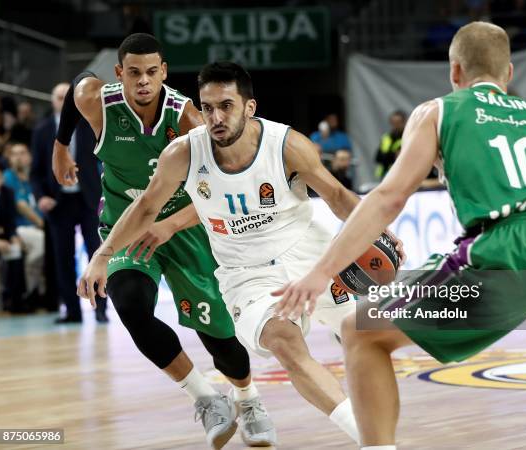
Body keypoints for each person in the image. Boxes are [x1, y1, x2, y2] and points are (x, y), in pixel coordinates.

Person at [274, 21, 526, 450]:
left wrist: (322, 271)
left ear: (454, 72)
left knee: (361, 331)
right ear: (509, 75)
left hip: (505, 252)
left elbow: (389, 197)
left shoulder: (440, 110)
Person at [77, 61, 403, 446]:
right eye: (208, 107)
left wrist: (376, 227)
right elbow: (146, 207)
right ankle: (370, 440)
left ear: (249, 108)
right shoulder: (183, 153)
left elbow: (335, 195)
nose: (215, 117)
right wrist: (103, 254)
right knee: (286, 344)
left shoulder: (288, 144)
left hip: (310, 252)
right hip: (246, 273)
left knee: (362, 335)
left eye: (226, 106)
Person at [54, 34, 274, 449]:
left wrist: (171, 225)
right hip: (126, 228)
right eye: (133, 72)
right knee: (132, 306)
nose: (143, 81)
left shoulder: (188, 120)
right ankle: (207, 398)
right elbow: (78, 85)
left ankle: (248, 399)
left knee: (219, 337)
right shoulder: (97, 102)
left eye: (152, 72)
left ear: (164, 73)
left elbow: (223, 192)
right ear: (119, 74)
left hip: (185, 227)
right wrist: (61, 146)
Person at [31, 83, 107, 324]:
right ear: (52, 101)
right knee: (63, 258)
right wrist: (41, 196)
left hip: (88, 200)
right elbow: (36, 172)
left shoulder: (89, 124)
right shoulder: (42, 130)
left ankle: (101, 309)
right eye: (59, 97)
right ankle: (72, 312)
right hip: (58, 201)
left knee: (97, 253)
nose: (63, 101)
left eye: (67, 97)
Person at [4, 142, 44, 301]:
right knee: (42, 243)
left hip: (38, 227)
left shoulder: (34, 177)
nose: (19, 157)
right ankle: (30, 291)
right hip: (20, 227)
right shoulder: (8, 176)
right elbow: (20, 205)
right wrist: (42, 224)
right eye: (14, 154)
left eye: (22, 153)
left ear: (30, 156)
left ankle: (35, 290)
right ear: (10, 159)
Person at [0, 161, 25, 312]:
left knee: (16, 251)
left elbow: (10, 219)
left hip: (3, 237)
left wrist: (13, 236)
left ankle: (14, 300)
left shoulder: (7, 193)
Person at [374, 110, 406, 180]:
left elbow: (402, 158)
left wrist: (386, 155)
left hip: (399, 174)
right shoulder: (386, 137)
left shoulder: (407, 137)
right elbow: (377, 157)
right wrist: (392, 155)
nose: (395, 125)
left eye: (398, 123)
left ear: (404, 122)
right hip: (383, 174)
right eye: (393, 123)